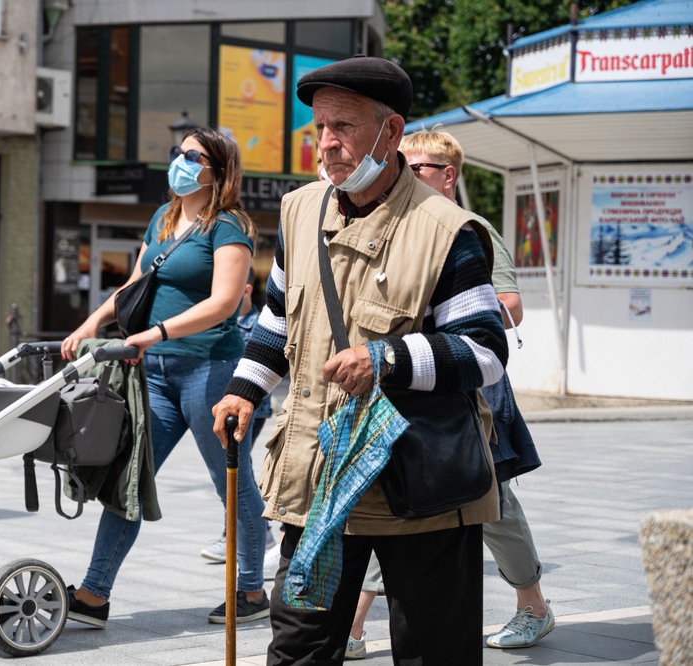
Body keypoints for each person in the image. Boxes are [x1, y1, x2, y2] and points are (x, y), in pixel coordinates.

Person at [212, 55, 509, 664]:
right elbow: (277, 318)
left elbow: (485, 352)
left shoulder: (446, 228)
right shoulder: (300, 210)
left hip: (421, 491)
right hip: (319, 482)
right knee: (298, 648)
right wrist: (244, 388)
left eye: (343, 126)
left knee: (434, 654)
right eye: (320, 127)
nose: (327, 143)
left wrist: (388, 358)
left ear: (391, 131)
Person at [61, 126, 270, 627]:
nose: (178, 160)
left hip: (212, 370)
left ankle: (252, 592)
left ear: (215, 170)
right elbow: (136, 285)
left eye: (191, 155)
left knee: (231, 484)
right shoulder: (164, 217)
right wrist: (94, 321)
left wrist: (155, 334)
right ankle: (94, 594)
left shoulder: (229, 226)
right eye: (176, 151)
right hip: (154, 374)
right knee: (128, 478)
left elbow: (223, 305)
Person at [400, 127, 554, 649]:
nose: (406, 174)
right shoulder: (398, 224)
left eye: (416, 167)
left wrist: (457, 314)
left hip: (468, 386)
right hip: (406, 381)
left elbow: (510, 306)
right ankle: (353, 626)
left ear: (447, 175)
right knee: (389, 492)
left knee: (491, 499)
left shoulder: (472, 228)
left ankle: (533, 605)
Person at [200, 267, 279, 571]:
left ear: (246, 291)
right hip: (232, 406)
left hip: (254, 410)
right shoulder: (224, 324)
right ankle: (245, 535)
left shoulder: (258, 324)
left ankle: (246, 538)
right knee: (236, 470)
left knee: (237, 471)